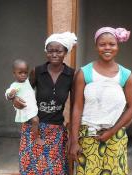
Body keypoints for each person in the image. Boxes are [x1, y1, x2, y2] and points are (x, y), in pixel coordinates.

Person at [69, 27, 132, 175]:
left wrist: (112, 132)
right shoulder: (84, 73)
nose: (107, 48)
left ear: (117, 46)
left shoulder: (125, 75)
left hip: (116, 137)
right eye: (102, 44)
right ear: (96, 46)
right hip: (88, 136)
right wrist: (74, 141)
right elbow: (77, 107)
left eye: (112, 44)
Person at [11, 32, 77, 174]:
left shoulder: (71, 74)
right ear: (46, 52)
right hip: (33, 128)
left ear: (65, 52)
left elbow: (76, 104)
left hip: (56, 130)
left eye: (58, 51)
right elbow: (23, 90)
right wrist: (14, 100)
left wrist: (73, 131)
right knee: (31, 168)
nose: (54, 54)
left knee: (55, 170)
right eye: (50, 51)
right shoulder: (37, 71)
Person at [5, 59, 43, 145]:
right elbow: (7, 93)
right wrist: (11, 94)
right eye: (20, 73)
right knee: (35, 120)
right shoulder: (15, 85)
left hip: (32, 107)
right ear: (14, 73)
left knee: (34, 122)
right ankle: (36, 138)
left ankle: (33, 136)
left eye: (25, 73)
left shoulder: (27, 82)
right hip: (25, 109)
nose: (23, 75)